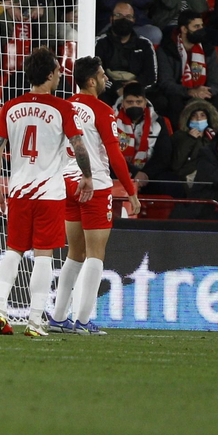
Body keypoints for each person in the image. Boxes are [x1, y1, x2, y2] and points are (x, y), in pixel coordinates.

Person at [0, 46, 93, 338]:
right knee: (44, 255)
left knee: (14, 250)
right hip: (49, 193)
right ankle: (34, 321)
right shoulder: (62, 107)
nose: (60, 74)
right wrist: (87, 176)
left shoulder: (11, 107)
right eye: (58, 70)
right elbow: (79, 146)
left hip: (19, 191)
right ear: (49, 74)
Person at [47, 56, 139, 335]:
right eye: (101, 74)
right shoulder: (101, 110)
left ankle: (59, 316)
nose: (105, 79)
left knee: (74, 253)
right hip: (95, 185)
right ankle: (83, 320)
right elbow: (114, 154)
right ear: (91, 81)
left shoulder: (64, 107)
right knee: (95, 254)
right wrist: (131, 191)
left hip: (67, 183)